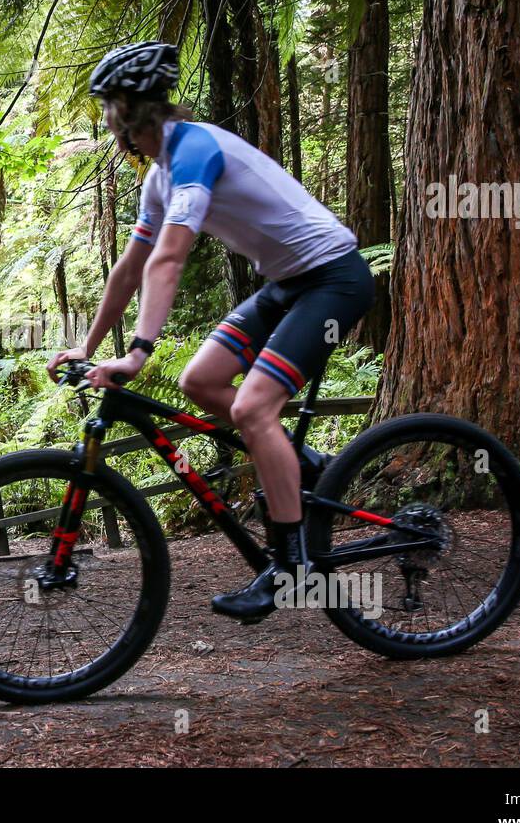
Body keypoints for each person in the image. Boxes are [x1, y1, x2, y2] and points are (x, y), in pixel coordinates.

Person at [47, 41, 375, 623]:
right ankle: (300, 464)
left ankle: (291, 565)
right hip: (287, 284)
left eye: (108, 110)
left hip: (333, 280)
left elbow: (169, 260)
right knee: (200, 381)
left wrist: (138, 352)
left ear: (128, 114)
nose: (106, 122)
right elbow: (130, 268)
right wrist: (90, 346)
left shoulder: (195, 149)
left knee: (252, 409)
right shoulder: (160, 178)